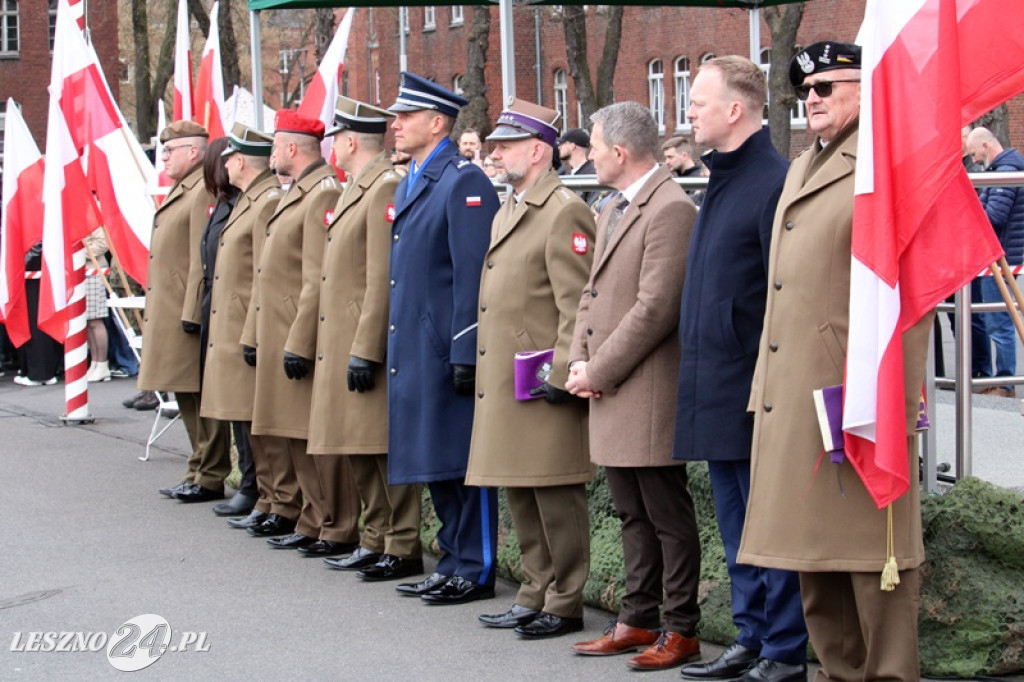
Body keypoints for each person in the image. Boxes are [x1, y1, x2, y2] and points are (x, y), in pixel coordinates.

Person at [738, 41, 934, 682]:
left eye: (826, 87)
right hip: (800, 395)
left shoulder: (884, 167)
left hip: (858, 395)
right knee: (813, 557)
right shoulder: (804, 164)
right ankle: (836, 673)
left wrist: (894, 403)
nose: (812, 99)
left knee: (871, 560)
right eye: (806, 91)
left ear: (865, 90)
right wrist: (765, 388)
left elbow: (910, 297)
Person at [673, 56, 807, 682]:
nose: (688, 112)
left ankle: (782, 647)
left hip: (753, 385)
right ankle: (751, 636)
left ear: (734, 109)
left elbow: (781, 296)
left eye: (698, 102)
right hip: (717, 381)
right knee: (736, 525)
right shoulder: (723, 177)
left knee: (766, 523)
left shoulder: (772, 182)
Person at [565, 101, 700, 671]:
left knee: (666, 514)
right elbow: (591, 294)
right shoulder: (613, 206)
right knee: (631, 513)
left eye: (594, 147)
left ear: (619, 152)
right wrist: (577, 360)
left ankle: (681, 627)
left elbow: (655, 309)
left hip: (643, 387)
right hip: (610, 383)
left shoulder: (670, 208)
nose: (589, 156)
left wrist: (597, 370)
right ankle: (638, 617)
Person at [464, 99, 596, 639]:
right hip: (509, 377)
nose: (496, 153)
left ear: (538, 151)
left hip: (542, 379)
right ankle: (534, 591)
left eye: (507, 145)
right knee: (519, 487)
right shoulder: (511, 206)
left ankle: (564, 600)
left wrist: (563, 372)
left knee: (554, 492)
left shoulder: (563, 210)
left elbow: (577, 304)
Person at [385, 72, 501, 605]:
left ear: (436, 123)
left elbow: (472, 274)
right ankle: (452, 558)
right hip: (416, 344)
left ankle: (476, 567)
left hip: (446, 347)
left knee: (460, 461)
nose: (396, 124)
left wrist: (465, 349)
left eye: (406, 116)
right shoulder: (412, 179)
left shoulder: (463, 181)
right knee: (434, 458)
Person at [308, 96, 424, 580]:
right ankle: (375, 536)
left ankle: (401, 542)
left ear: (351, 141)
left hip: (364, 338)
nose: (332, 145)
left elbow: (382, 277)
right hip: (343, 336)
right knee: (357, 442)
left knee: (379, 444)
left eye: (336, 137)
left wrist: (366, 347)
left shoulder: (383, 187)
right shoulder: (355, 187)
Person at [241, 110, 360, 557]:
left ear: (292, 147)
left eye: (275, 145)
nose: (271, 153)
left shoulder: (322, 193)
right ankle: (312, 516)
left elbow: (315, 277)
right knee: (290, 430)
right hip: (280, 328)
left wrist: (300, 340)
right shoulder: (298, 191)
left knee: (312, 435)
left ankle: (334, 522)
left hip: (299, 331)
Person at [200, 124, 285, 525]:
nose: (226, 164)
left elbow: (264, 273)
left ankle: (261, 491)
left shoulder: (265, 200)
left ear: (241, 161)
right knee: (241, 409)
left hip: (248, 321)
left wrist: (252, 326)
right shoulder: (248, 199)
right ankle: (260, 491)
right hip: (234, 319)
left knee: (253, 413)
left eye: (230, 157)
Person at [144, 120, 233, 504]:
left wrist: (193, 312)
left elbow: (202, 258)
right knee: (185, 391)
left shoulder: (200, 191)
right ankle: (198, 467)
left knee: (198, 393)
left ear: (193, 152)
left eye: (169, 151)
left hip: (186, 311)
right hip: (173, 308)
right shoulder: (184, 188)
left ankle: (208, 473)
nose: (163, 158)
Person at [966, 126, 1024, 397]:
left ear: (986, 146)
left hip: (1001, 257)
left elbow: (995, 216)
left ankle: (1005, 382)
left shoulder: (1005, 171)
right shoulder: (1004, 169)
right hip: (1002, 256)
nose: (974, 160)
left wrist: (970, 208)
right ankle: (1002, 380)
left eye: (974, 154)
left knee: (999, 322)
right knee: (996, 319)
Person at [83, 228, 111, 383]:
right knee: (87, 321)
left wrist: (79, 254)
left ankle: (102, 364)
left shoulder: (89, 216)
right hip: (81, 271)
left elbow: (103, 242)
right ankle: (94, 363)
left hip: (93, 270)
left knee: (95, 320)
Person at [557, 128, 598, 206]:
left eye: (562, 144)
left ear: (573, 146)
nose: (559, 147)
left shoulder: (592, 175)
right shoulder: (568, 174)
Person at [662, 136, 705, 206]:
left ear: (684, 156)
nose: (667, 162)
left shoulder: (701, 180)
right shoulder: (677, 179)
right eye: (666, 158)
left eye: (670, 157)